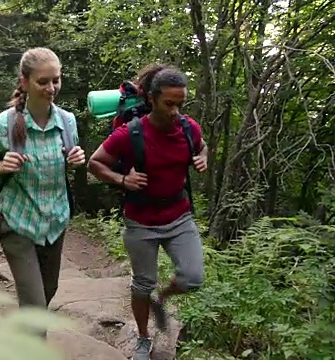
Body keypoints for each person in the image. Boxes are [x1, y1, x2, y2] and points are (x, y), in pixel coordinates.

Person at [87, 64, 208, 360]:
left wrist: (202, 158)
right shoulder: (131, 133)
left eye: (181, 104)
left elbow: (203, 146)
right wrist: (122, 179)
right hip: (140, 220)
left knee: (193, 277)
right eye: (169, 104)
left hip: (179, 216)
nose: (176, 111)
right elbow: (95, 163)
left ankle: (161, 299)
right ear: (152, 99)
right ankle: (143, 338)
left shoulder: (189, 128)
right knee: (142, 284)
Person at [0, 47, 86, 337]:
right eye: (43, 82)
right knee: (36, 309)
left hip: (55, 221)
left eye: (56, 80)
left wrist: (76, 159)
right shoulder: (5, 124)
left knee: (47, 293)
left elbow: (67, 160)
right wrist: (1, 166)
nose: (51, 88)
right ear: (24, 82)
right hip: (18, 223)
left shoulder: (67, 122)